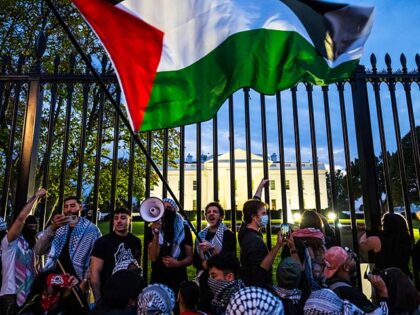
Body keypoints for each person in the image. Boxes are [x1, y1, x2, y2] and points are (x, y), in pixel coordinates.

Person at [34, 196, 101, 313]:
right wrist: (52, 228)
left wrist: (83, 282)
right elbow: (39, 250)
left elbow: (94, 261)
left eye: (72, 206)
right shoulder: (57, 227)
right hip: (53, 282)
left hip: (75, 282)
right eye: (66, 207)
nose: (69, 209)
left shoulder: (91, 230)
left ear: (80, 207)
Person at [0, 188, 46, 314]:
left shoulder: (30, 245)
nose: (33, 228)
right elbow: (21, 219)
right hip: (11, 296)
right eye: (29, 227)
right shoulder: (8, 243)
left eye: (35, 227)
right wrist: (35, 197)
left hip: (31, 295)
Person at [90, 207, 142, 302]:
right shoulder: (102, 242)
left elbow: (137, 269)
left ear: (130, 220)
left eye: (123, 218)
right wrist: (98, 300)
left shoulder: (136, 241)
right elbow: (94, 272)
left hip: (129, 295)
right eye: (116, 218)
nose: (119, 221)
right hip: (109, 295)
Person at [193, 202, 235, 313]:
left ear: (221, 216)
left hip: (221, 283)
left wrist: (212, 248)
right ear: (205, 216)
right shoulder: (200, 236)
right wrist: (205, 264)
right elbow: (196, 261)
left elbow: (227, 259)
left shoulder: (228, 235)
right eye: (208, 212)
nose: (211, 214)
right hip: (204, 283)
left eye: (215, 212)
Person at [324, 246, 390, 314]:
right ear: (346, 267)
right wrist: (382, 291)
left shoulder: (328, 287)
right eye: (352, 259)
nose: (355, 261)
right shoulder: (350, 293)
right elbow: (382, 313)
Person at [148, 198, 193, 295]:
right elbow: (153, 257)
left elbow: (190, 257)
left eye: (169, 208)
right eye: (163, 208)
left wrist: (177, 263)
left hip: (178, 276)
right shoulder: (152, 228)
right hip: (158, 276)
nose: (166, 210)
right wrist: (156, 234)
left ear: (175, 211)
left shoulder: (184, 228)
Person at [359, 212, 412, 277]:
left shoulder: (378, 239)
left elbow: (362, 245)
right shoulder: (407, 239)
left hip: (385, 278)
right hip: (404, 277)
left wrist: (368, 232)